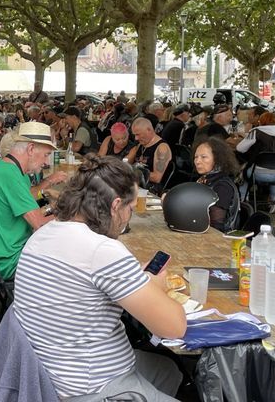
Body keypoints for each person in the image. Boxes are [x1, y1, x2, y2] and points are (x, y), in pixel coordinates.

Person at [14, 155, 185, 400]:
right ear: (115, 205)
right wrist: (154, 286)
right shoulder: (102, 251)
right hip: (93, 386)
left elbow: (82, 275)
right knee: (169, 368)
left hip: (50, 370)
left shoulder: (46, 232)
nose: (129, 216)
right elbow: (174, 328)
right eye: (130, 207)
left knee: (167, 370)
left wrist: (131, 275)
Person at [0, 122, 67, 280]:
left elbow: (27, 206)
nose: (46, 162)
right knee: (72, 258)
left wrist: (51, 208)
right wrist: (75, 212)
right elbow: (40, 224)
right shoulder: (10, 176)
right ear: (31, 149)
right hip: (9, 262)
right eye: (46, 155)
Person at [236, 112, 275, 212]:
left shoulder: (257, 131)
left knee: (244, 173)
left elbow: (240, 148)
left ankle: (242, 200)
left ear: (261, 121)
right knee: (273, 167)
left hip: (261, 174)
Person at [193, 137, 241, 232]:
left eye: (204, 157)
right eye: (196, 157)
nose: (197, 161)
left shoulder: (222, 186)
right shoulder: (205, 179)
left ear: (218, 159)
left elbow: (216, 226)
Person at [128, 117, 172, 191]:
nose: (136, 138)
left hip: (151, 188)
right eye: (135, 135)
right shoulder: (140, 145)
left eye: (138, 134)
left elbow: (157, 178)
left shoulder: (162, 148)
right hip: (137, 184)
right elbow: (126, 161)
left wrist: (132, 172)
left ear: (149, 130)